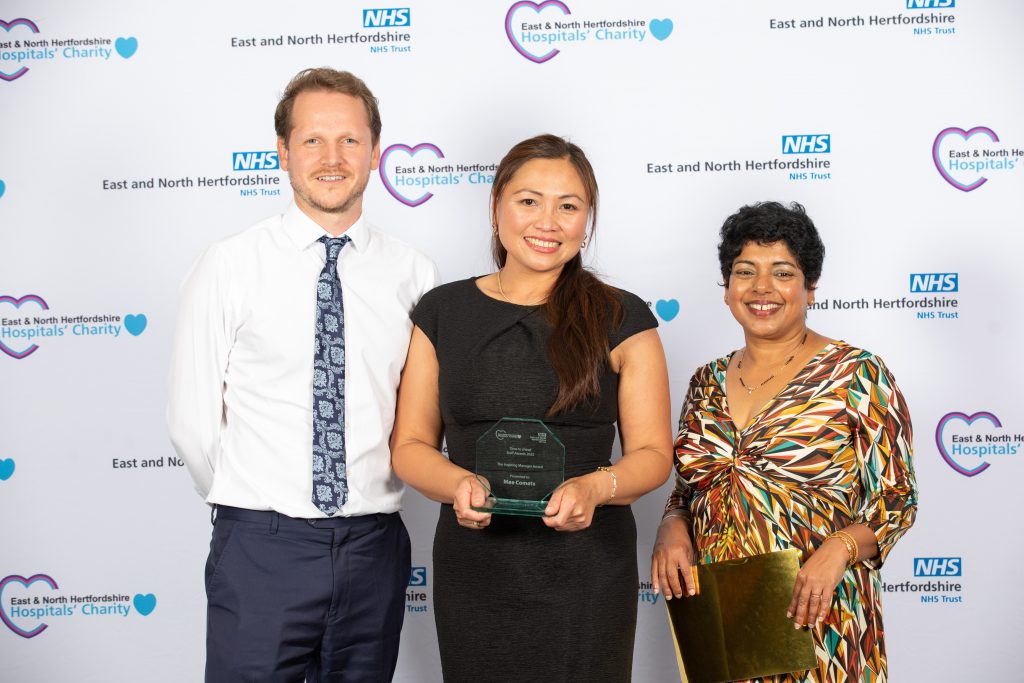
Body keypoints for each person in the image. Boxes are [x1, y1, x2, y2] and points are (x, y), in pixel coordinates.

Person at [166, 67, 438, 682]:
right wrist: (257, 509)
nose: (332, 157)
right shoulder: (229, 266)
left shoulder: (415, 275)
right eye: (312, 140)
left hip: (375, 548)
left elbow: (423, 416)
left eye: (349, 140)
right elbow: (192, 422)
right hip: (262, 546)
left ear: (375, 153)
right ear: (284, 153)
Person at [390, 134, 673, 682]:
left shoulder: (623, 316)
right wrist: (456, 486)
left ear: (586, 220)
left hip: (587, 569)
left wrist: (596, 488)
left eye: (568, 206)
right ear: (496, 205)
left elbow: (654, 455)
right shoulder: (442, 311)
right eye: (528, 201)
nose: (548, 222)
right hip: (476, 568)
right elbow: (410, 447)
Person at [651, 201, 918, 682]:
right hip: (723, 615)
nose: (761, 289)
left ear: (810, 286)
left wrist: (837, 551)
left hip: (819, 616)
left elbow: (896, 501)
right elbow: (690, 488)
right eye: (744, 271)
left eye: (782, 272)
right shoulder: (704, 381)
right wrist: (671, 525)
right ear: (728, 288)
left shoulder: (858, 375)